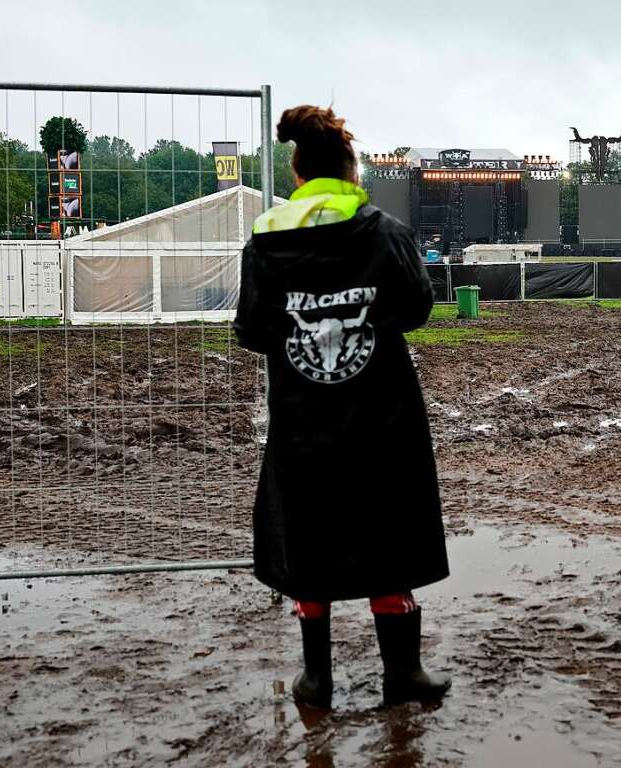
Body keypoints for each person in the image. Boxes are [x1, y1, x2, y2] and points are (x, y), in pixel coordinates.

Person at [234, 104, 451, 710]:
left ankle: (316, 679)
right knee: (389, 536)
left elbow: (251, 329)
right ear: (352, 172)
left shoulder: (266, 238)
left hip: (303, 421)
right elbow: (415, 309)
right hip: (382, 418)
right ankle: (403, 674)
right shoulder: (383, 230)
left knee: (306, 539)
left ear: (298, 174)